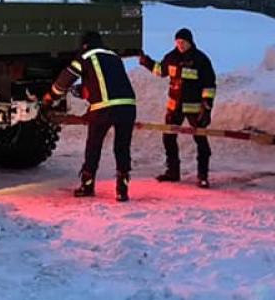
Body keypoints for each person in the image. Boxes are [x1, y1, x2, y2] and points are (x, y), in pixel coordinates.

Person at [44, 31, 137, 201]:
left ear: (84, 44)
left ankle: (87, 185)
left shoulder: (85, 56)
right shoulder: (113, 55)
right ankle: (122, 190)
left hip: (104, 107)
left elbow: (65, 80)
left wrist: (50, 97)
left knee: (94, 146)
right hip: (128, 106)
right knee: (122, 147)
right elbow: (107, 81)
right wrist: (86, 90)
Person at [138, 28, 217, 188]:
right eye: (178, 42)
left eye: (183, 42)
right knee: (168, 137)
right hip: (174, 106)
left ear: (190, 42)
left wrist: (207, 106)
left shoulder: (200, 59)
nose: (180, 45)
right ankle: (173, 171)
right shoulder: (171, 57)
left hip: (195, 107)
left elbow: (209, 85)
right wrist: (146, 61)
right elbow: (160, 70)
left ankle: (203, 175)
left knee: (200, 139)